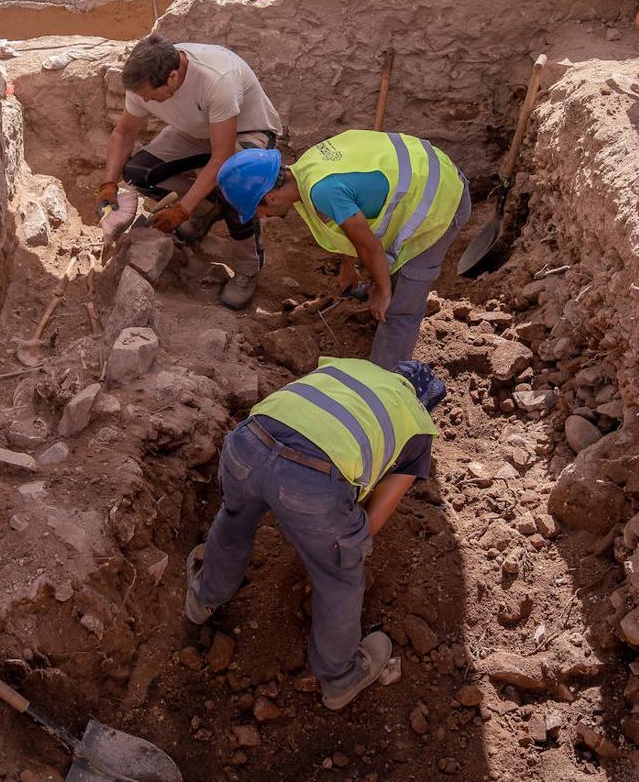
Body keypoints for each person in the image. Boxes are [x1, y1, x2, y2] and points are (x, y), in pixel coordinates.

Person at [184, 357, 446, 710]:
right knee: (340, 577)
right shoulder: (418, 427)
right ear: (424, 403)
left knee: (234, 517)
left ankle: (203, 598)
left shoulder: (348, 368)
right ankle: (341, 678)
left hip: (247, 442)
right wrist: (334, 541)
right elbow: (372, 522)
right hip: (311, 481)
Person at [215, 130, 472, 367]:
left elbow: (367, 245)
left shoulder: (322, 190)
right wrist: (348, 268)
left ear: (270, 197)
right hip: (430, 168)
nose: (260, 217)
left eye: (257, 210)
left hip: (440, 197)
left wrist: (383, 290)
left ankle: (384, 384)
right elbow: (347, 224)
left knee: (400, 305)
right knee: (387, 276)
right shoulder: (308, 167)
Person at [97, 35, 282, 309]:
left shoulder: (216, 79)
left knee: (235, 191)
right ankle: (206, 210)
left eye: (150, 95)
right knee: (138, 172)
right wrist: (108, 183)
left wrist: (181, 209)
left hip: (247, 131)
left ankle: (247, 269)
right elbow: (124, 132)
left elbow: (221, 157)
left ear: (173, 77)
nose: (145, 100)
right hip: (197, 132)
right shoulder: (142, 83)